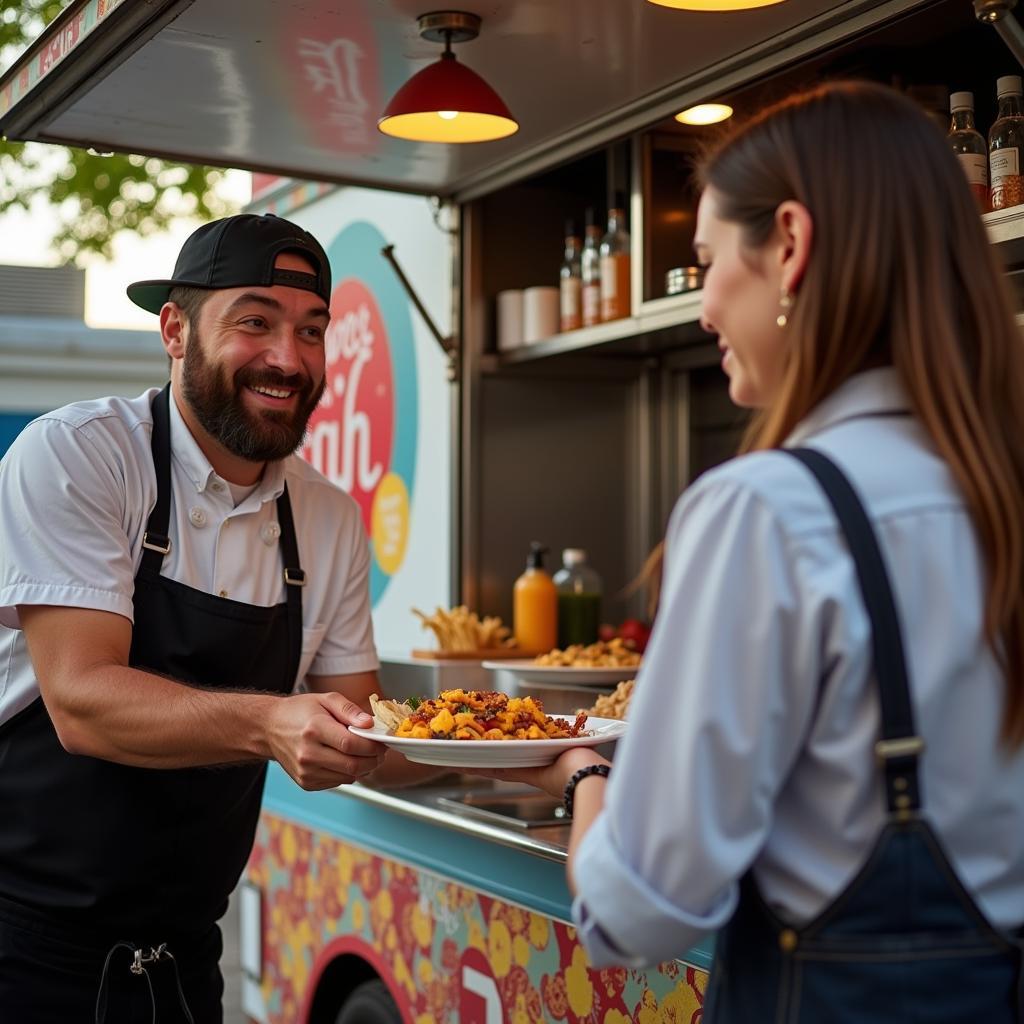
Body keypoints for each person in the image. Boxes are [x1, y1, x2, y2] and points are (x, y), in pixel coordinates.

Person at [470, 81, 1024, 1021]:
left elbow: (637, 909)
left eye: (709, 259)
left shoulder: (770, 510)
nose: (703, 310)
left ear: (792, 246)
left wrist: (589, 773)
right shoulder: (996, 486)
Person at [0, 213, 401, 1022]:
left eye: (312, 330)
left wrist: (533, 755)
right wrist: (272, 723)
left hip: (185, 961)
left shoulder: (326, 518)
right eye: (254, 322)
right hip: (21, 952)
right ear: (176, 331)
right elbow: (80, 703)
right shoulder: (80, 455)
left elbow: (374, 731)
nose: (288, 359)